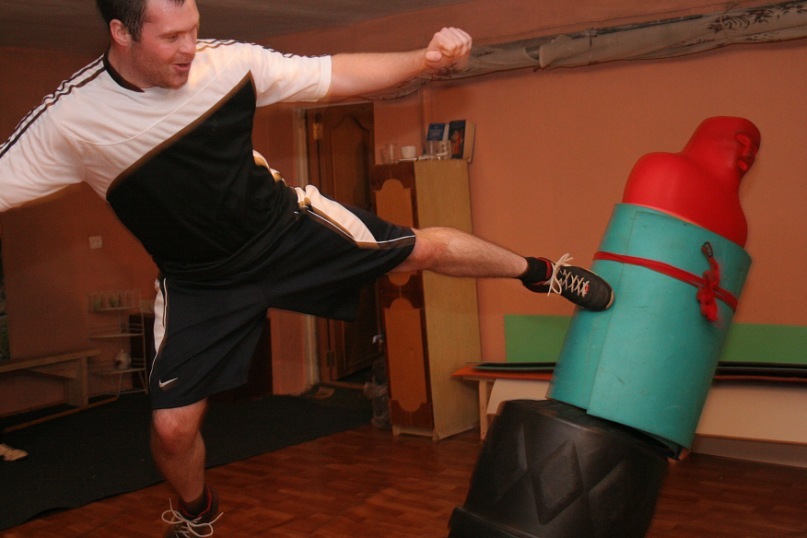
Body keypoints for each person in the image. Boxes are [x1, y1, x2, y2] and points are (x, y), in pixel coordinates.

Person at [0, 0, 614, 535]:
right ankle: (196, 512)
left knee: (419, 248)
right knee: (171, 430)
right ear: (121, 32)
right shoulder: (72, 119)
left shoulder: (228, 64)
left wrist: (424, 61)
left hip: (284, 232)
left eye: (193, 29)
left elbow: (334, 73)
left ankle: (541, 272)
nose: (189, 47)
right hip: (201, 281)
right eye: (171, 37)